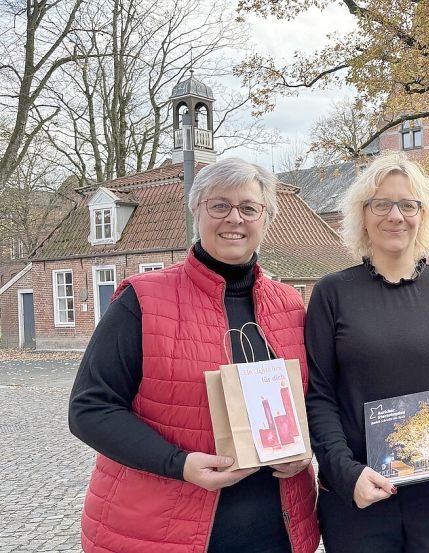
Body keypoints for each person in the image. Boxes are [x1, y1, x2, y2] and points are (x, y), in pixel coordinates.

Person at [68, 158, 320, 553]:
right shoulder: (142, 299)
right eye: (219, 205)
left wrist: (304, 452)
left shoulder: (289, 305)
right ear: (196, 212)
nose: (234, 219)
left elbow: (311, 402)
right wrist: (179, 463)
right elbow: (90, 409)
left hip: (277, 527)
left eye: (248, 208)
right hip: (162, 529)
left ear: (266, 218)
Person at [304, 152, 429, 553]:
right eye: (381, 204)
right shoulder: (332, 293)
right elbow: (319, 396)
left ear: (423, 215)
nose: (396, 215)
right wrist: (345, 473)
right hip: (360, 496)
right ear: (362, 214)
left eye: (408, 205)